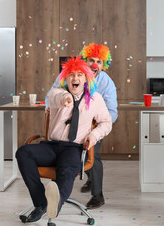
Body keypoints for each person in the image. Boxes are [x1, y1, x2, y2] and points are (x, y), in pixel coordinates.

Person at [16, 56, 112, 223]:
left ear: (86, 78)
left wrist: (94, 135)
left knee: (66, 171)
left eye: (80, 74)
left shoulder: (96, 99)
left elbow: (106, 123)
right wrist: (65, 99)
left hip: (73, 148)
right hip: (51, 146)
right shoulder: (57, 93)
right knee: (23, 152)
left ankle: (55, 205)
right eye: (71, 74)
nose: (75, 78)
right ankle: (41, 203)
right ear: (65, 78)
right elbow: (56, 98)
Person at [46, 43, 117, 209]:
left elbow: (112, 112)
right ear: (84, 60)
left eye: (99, 62)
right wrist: (51, 110)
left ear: (104, 65)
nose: (94, 65)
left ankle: (98, 195)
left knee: (93, 154)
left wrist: (95, 129)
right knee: (69, 150)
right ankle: (82, 181)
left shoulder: (106, 82)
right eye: (91, 60)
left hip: (92, 126)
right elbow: (51, 96)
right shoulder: (68, 75)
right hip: (66, 126)